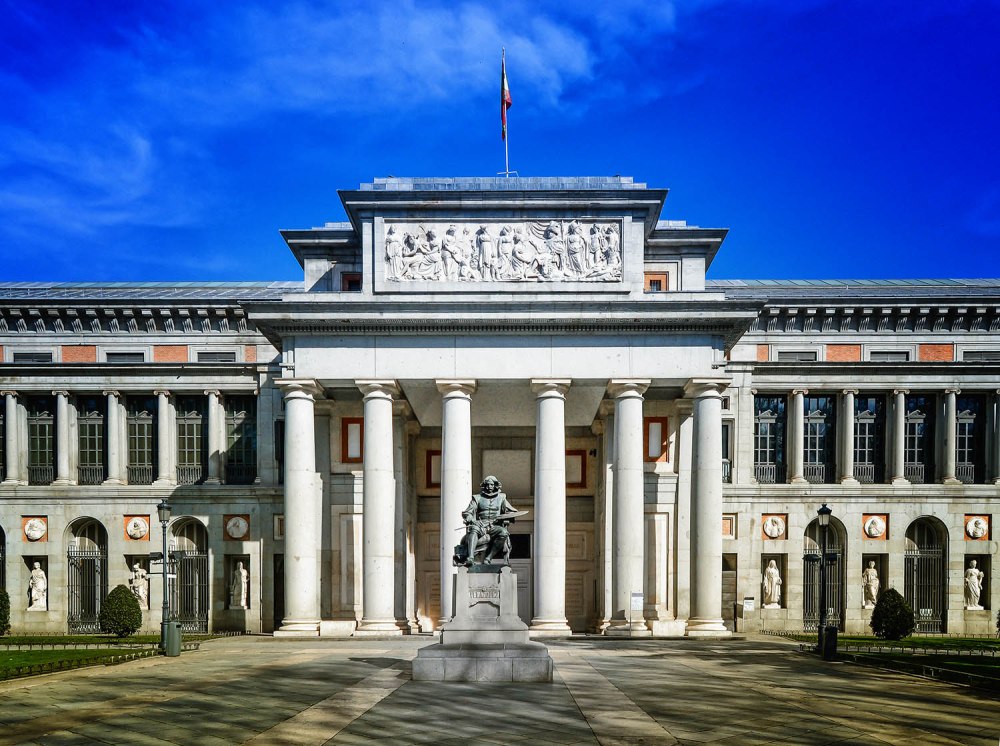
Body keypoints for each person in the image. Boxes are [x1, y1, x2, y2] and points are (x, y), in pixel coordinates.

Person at [457, 476, 518, 566]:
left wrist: (508, 517)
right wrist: (472, 520)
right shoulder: (477, 498)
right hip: (481, 525)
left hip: (494, 526)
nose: (489, 487)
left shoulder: (501, 498)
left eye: (492, 485)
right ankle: (470, 558)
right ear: (484, 486)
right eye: (488, 485)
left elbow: (511, 511)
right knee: (474, 529)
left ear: (495, 486)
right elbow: (467, 513)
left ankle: (488, 558)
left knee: (504, 533)